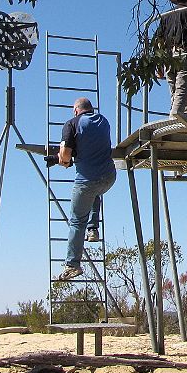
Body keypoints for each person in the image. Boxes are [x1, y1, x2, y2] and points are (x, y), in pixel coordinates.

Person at [55, 98, 116, 281]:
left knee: (76, 221)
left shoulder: (72, 124)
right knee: (95, 192)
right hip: (109, 177)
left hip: (86, 180)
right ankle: (93, 229)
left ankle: (72, 265)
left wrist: (64, 161)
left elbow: (65, 154)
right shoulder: (103, 121)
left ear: (75, 111)